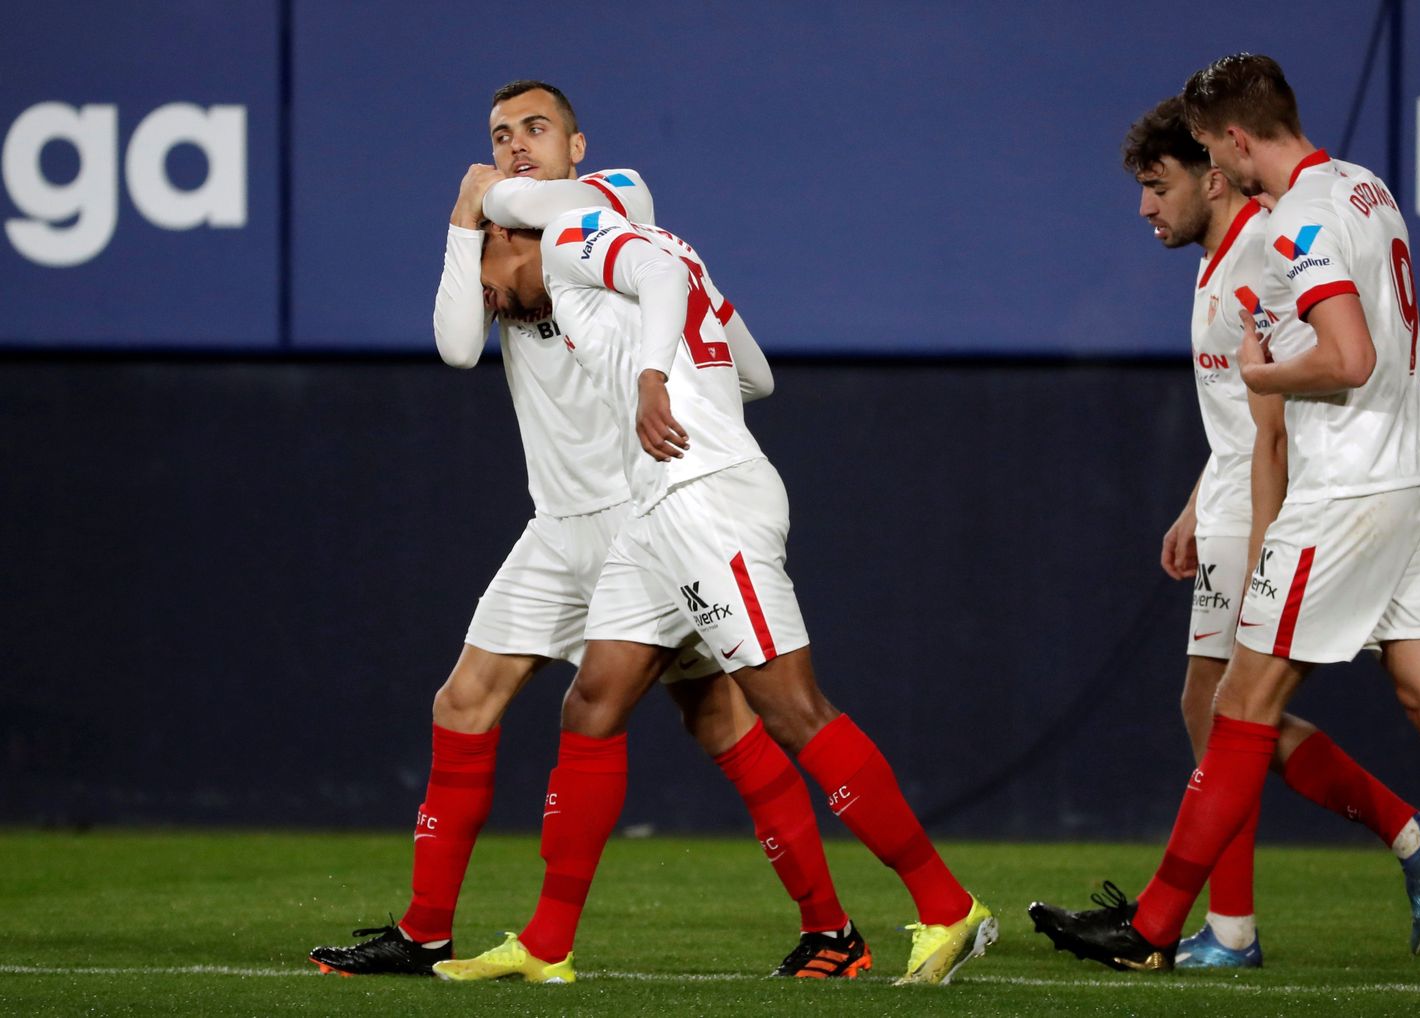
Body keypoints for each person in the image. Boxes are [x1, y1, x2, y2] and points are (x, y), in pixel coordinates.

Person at [1029, 54, 1420, 979]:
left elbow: (1348, 355)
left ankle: (1159, 928)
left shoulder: (1299, 219)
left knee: (1236, 707)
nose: (1217, 168)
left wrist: (1263, 372)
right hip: (1416, 476)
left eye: (1213, 147)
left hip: (1345, 492)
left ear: (1238, 137)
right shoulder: (1364, 188)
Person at [309, 80, 870, 982]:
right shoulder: (498, 232)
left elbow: (587, 207)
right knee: (463, 702)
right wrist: (465, 216)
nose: (518, 143)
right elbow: (457, 345)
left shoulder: (609, 202)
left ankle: (832, 928)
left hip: (643, 518)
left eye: (536, 128)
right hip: (556, 526)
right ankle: (424, 933)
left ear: (578, 143)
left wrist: (483, 192)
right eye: (500, 133)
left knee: (723, 720)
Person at [431, 186, 996, 987]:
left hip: (701, 501)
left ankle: (946, 905)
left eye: (490, 248)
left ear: (522, 230)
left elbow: (656, 273)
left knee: (793, 709)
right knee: (592, 704)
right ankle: (548, 942)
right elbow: (753, 372)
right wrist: (688, 381)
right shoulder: (666, 254)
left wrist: (656, 380)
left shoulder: (571, 242)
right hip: (656, 511)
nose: (489, 291)